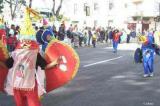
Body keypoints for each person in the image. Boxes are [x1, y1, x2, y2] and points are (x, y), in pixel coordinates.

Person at [5, 40, 58, 106]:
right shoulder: (17, 54)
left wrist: (55, 62)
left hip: (24, 85)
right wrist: (54, 63)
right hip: (23, 85)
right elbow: (44, 66)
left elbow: (7, 65)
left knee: (26, 104)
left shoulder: (17, 54)